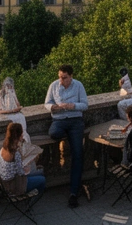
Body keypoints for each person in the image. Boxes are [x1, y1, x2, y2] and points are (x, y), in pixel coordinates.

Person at [45, 64, 90, 208]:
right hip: (59, 120)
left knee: (78, 154)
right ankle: (67, 136)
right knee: (53, 133)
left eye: (64, 78)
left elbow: (85, 105)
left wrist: (73, 106)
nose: (61, 80)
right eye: (60, 77)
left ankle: (73, 193)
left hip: (75, 120)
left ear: (71, 76)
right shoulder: (54, 86)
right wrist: (53, 107)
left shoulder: (78, 86)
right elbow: (47, 102)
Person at [0, 122, 46, 197]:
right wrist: (26, 169)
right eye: (22, 133)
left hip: (6, 183)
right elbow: (21, 173)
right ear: (19, 136)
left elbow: (14, 168)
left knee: (40, 172)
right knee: (42, 179)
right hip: (15, 186)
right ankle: (34, 199)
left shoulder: (3, 148)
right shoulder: (15, 153)